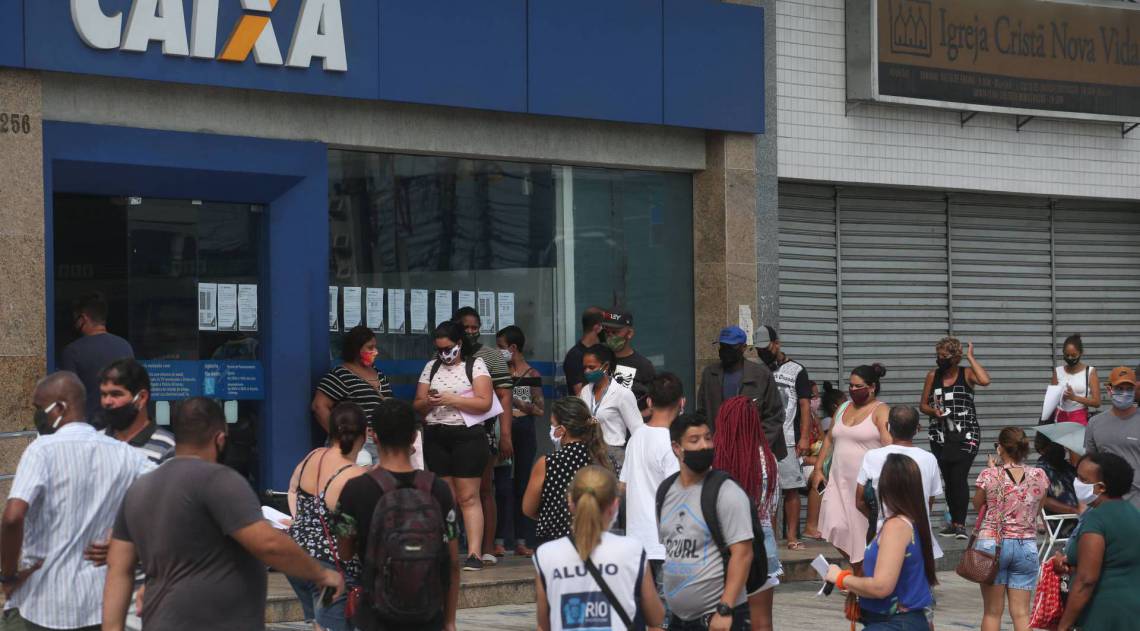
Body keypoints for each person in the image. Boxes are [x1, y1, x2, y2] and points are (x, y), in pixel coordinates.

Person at [103, 397, 343, 631]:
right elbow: (268, 544)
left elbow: (119, 568)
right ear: (220, 438)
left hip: (160, 620)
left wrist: (112, 626)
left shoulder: (140, 488)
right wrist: (322, 574)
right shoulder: (220, 481)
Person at [0, 372, 150, 631]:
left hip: (40, 602)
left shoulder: (42, 450)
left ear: (59, 408)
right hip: (98, 604)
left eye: (39, 407)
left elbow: (13, 517)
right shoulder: (125, 454)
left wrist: (8, 574)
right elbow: (166, 496)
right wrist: (128, 540)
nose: (38, 415)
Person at [335, 398, 460, 631]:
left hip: (376, 615)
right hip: (428, 615)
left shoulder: (356, 489)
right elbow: (452, 563)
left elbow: (345, 552)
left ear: (374, 436)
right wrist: (449, 621)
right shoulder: (438, 489)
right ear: (414, 437)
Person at [534, 465, 665, 631]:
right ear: (615, 505)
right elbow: (656, 616)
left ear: (570, 502)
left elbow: (543, 623)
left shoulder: (546, 554)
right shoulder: (632, 550)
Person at [658, 413, 754, 631]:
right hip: (676, 619)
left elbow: (743, 553)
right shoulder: (665, 492)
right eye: (694, 440)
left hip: (717, 618)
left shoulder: (726, 492)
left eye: (708, 438)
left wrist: (725, 609)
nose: (704, 446)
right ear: (676, 448)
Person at [413, 321, 494, 571]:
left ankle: (474, 553)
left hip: (467, 435)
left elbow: (485, 403)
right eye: (439, 349)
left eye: (448, 348)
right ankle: (446, 552)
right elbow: (416, 405)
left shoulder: (475, 365)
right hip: (437, 433)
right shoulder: (431, 366)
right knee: (445, 498)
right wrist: (429, 401)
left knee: (468, 496)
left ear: (459, 344)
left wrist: (453, 399)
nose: (444, 354)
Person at [825, 454, 937, 631]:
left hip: (895, 623)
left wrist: (841, 578)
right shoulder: (910, 522)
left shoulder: (896, 527)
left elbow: (881, 586)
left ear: (885, 487)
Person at [286, 402, 369, 631]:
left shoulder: (313, 456)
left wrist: (299, 519)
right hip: (330, 565)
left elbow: (292, 489)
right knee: (333, 622)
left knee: (319, 620)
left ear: (330, 430)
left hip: (296, 556)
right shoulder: (354, 475)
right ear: (364, 435)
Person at [711, 397, 783, 631]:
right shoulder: (769, 459)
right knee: (762, 623)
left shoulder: (716, 459)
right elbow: (772, 506)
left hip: (724, 547)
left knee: (724, 619)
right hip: (763, 542)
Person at [812, 364, 891, 568]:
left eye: (859, 386)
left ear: (872, 387)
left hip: (863, 486)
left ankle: (862, 575)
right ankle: (859, 570)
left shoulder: (881, 410)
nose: (854, 390)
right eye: (851, 386)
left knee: (862, 534)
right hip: (838, 482)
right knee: (834, 527)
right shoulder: (843, 407)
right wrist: (819, 469)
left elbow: (890, 444)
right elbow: (829, 440)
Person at [453, 306, 514, 565]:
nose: (470, 332)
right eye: (465, 327)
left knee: (485, 489)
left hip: (484, 430)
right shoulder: (448, 354)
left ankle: (487, 547)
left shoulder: (490, 356)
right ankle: (456, 548)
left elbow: (504, 395)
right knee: (455, 493)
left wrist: (506, 434)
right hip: (452, 431)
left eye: (474, 327)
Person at [971, 427, 1048, 631]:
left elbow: (979, 506)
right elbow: (1036, 509)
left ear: (1000, 448)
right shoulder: (1039, 475)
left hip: (992, 544)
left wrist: (993, 474)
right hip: (1026, 545)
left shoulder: (989, 474)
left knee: (992, 612)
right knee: (1022, 613)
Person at [1053, 452, 1140, 631]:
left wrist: (1064, 625)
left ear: (1100, 488)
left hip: (1103, 610)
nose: (1076, 482)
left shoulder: (1096, 519)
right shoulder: (1133, 513)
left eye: (1082, 479)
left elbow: (1087, 579)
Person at [619, 373, 683, 615]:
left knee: (646, 616)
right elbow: (677, 493)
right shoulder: (674, 442)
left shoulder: (635, 438)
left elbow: (622, 486)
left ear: (648, 403)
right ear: (682, 402)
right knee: (668, 615)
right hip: (668, 544)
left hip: (638, 543)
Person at [920, 337, 991, 539]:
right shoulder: (932, 376)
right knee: (948, 478)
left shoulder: (966, 373)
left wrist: (970, 358)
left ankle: (960, 524)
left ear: (955, 357)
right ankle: (953, 522)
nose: (939, 359)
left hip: (966, 434)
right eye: (938, 356)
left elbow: (985, 380)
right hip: (940, 435)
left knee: (959, 476)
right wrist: (934, 412)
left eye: (944, 356)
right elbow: (923, 405)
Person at [855, 406, 943, 560]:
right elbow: (929, 502)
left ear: (888, 427)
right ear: (918, 429)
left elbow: (859, 502)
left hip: (883, 538)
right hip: (921, 538)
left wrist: (878, 520)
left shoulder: (872, 456)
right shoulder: (929, 459)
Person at [523, 397, 610, 546]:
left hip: (554, 544)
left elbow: (528, 508)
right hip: (597, 541)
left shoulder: (547, 463)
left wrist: (552, 514)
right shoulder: (604, 461)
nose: (551, 429)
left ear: (562, 430)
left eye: (553, 425)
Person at [754, 324, 811, 550]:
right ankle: (772, 538)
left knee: (791, 488)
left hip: (788, 439)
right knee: (768, 490)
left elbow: (805, 405)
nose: (763, 352)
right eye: (758, 349)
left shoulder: (796, 370)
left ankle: (791, 536)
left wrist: (804, 437)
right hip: (764, 439)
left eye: (766, 347)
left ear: (777, 344)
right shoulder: (757, 371)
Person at [695, 326, 786, 459]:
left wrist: (756, 446)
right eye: (722, 346)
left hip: (751, 453)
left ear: (743, 348)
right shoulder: (710, 374)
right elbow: (702, 413)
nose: (725, 351)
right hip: (719, 450)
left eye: (730, 347)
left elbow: (775, 415)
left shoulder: (761, 375)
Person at [312, 325, 394, 463]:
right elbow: (319, 406)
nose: (375, 352)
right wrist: (342, 438)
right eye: (370, 347)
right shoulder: (341, 374)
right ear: (356, 349)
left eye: (375, 347)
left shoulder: (379, 374)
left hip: (381, 444)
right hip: (356, 445)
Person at [495, 325, 544, 557]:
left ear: (513, 348)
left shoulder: (531, 375)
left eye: (501, 347)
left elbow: (540, 409)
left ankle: (523, 539)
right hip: (503, 430)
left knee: (523, 484)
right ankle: (499, 539)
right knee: (502, 485)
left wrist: (516, 401)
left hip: (523, 429)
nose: (499, 351)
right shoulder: (498, 371)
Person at [60, 292, 134, 420]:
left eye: (75, 319)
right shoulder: (125, 346)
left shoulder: (72, 351)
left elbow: (69, 396)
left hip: (89, 426)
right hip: (121, 422)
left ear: (83, 318)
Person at [95, 358, 175, 464]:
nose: (107, 401)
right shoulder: (94, 442)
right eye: (104, 395)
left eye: (116, 394)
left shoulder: (168, 447)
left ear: (141, 398)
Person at [578, 344, 643, 474]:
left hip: (613, 454)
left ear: (606, 366)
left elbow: (638, 431)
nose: (587, 371)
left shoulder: (622, 394)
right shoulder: (585, 391)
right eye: (584, 367)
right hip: (588, 452)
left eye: (591, 367)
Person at [1084, 366, 1140, 509]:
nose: (1124, 393)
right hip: (1105, 504)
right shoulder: (1095, 423)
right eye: (1120, 389)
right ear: (1109, 390)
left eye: (1129, 389)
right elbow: (1089, 464)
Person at [804, 382, 845, 540]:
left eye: (817, 396)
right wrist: (816, 461)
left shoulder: (814, 417)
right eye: (812, 396)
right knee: (819, 479)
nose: (816, 399)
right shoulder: (798, 419)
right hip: (804, 463)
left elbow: (823, 442)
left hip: (817, 460)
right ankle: (811, 526)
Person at [603, 310, 657, 418]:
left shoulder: (643, 365)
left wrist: (634, 419)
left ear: (630, 333)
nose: (611, 337)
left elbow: (655, 404)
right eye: (607, 332)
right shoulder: (599, 360)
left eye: (615, 332)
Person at [1050, 333, 1100, 425]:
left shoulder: (1089, 372)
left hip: (1080, 418)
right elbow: (1051, 400)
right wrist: (1060, 397)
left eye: (1073, 355)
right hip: (1060, 419)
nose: (1070, 358)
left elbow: (1097, 402)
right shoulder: (1058, 371)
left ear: (1080, 353)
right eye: (1067, 355)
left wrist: (1074, 397)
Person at [1034, 432, 1079, 517]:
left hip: (1082, 519)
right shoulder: (1041, 471)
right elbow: (1044, 500)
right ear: (1043, 449)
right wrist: (1075, 510)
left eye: (1062, 445)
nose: (1062, 449)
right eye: (1056, 445)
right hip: (1064, 522)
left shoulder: (1067, 467)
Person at [563, 307, 606, 396]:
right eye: (606, 327)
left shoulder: (603, 352)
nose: (609, 332)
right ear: (597, 328)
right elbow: (581, 394)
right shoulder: (575, 356)